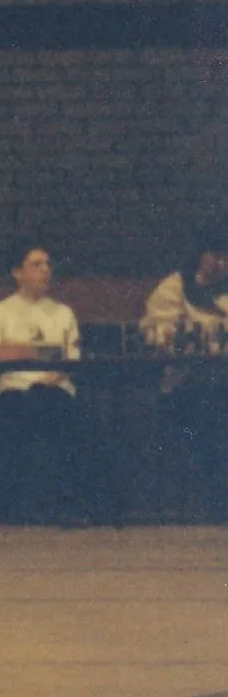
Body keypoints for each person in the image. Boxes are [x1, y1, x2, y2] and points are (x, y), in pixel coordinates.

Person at [0, 242, 106, 524]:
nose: (46, 270)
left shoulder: (63, 313)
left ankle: (70, 504)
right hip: (12, 389)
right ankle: (8, 506)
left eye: (48, 264)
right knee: (12, 414)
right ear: (17, 272)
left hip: (53, 388)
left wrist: (54, 377)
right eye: (36, 264)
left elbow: (72, 358)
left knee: (73, 419)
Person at [140, 221, 228, 521]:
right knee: (210, 412)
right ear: (201, 255)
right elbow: (158, 335)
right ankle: (215, 501)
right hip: (187, 382)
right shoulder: (175, 288)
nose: (222, 263)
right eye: (216, 255)